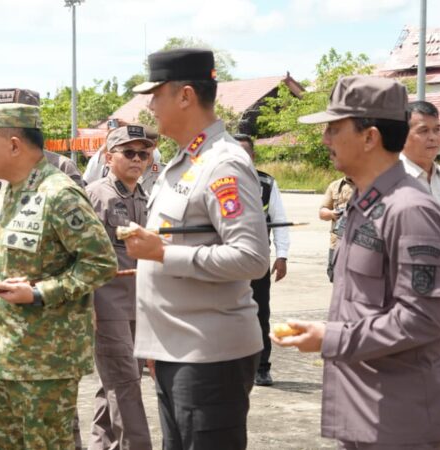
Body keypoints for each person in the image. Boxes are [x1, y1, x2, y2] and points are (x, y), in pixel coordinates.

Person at [274, 75, 440, 449]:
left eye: (333, 128)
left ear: (370, 137)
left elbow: (422, 319)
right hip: (368, 410)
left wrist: (330, 337)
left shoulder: (409, 210)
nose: (324, 139)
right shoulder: (366, 201)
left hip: (399, 419)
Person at [124, 48, 269, 450]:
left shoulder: (223, 163)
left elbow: (252, 257)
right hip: (177, 349)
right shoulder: (186, 161)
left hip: (208, 356)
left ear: (185, 95)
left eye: (156, 95)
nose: (150, 106)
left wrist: (162, 254)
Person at [0, 103, 117, 449]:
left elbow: (101, 262)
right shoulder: (3, 194)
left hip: (46, 364)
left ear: (14, 145)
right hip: (2, 358)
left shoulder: (58, 193)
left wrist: (41, 292)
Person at [85, 125, 152, 450]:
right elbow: (82, 254)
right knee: (125, 384)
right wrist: (87, 305)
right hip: (106, 304)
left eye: (144, 153)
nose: (137, 159)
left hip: (138, 303)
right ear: (108, 157)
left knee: (114, 384)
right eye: (129, 152)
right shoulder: (96, 195)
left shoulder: (144, 196)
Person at [399, 100, 440, 355]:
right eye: (423, 130)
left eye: (437, 129)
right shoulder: (389, 181)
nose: (433, 137)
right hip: (407, 303)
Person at [234, 133, 290, 387]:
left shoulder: (266, 183)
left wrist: (282, 255)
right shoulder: (214, 181)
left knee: (259, 313)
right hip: (224, 261)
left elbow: (280, 220)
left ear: (253, 156)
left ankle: (262, 367)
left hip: (257, 260)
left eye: (244, 152)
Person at [319, 176, 355, 280]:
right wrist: (332, 213)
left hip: (359, 245)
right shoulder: (334, 186)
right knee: (335, 278)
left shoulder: (368, 183)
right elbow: (322, 212)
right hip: (336, 244)